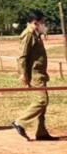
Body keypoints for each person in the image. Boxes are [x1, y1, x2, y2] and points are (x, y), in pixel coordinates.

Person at [11, 11, 58, 141]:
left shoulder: (36, 34)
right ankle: (20, 122)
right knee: (41, 101)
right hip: (34, 74)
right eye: (42, 22)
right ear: (35, 23)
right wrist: (23, 73)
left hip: (40, 73)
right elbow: (22, 56)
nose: (44, 25)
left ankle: (41, 132)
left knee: (42, 104)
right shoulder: (28, 35)